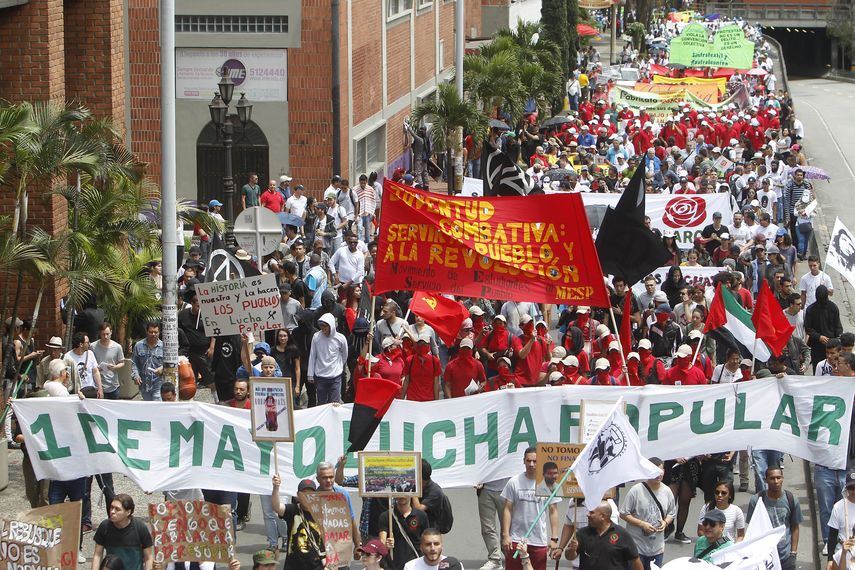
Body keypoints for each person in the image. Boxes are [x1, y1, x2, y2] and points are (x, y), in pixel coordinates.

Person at [501, 447, 561, 570]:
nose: (531, 464)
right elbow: (507, 509)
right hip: (517, 540)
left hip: (538, 540)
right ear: (524, 461)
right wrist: (506, 535)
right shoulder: (514, 482)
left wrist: (554, 538)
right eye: (528, 461)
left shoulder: (548, 483)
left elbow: (553, 511)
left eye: (535, 461)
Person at [619, 457, 675, 570]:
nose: (658, 475)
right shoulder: (636, 490)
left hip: (657, 547)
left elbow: (671, 513)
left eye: (661, 471)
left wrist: (665, 522)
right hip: (636, 546)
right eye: (654, 471)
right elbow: (623, 513)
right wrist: (641, 524)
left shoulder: (667, 491)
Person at [747, 467, 803, 570]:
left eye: (778, 478)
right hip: (764, 556)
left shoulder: (791, 499)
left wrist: (793, 553)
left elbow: (795, 527)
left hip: (785, 555)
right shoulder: (756, 501)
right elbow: (752, 529)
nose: (776, 481)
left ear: (783, 478)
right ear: (766, 480)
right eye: (772, 478)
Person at [564, 501, 642, 570]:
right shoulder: (582, 533)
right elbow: (569, 557)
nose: (587, 515)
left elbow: (635, 560)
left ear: (603, 516)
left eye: (592, 512)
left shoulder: (622, 534)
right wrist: (571, 550)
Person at [271, 476, 327, 570]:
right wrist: (276, 487)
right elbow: (276, 507)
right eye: (304, 493)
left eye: (310, 493)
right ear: (297, 495)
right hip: (294, 565)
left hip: (317, 566)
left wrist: (329, 562)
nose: (307, 497)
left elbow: (331, 539)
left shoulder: (322, 512)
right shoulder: (292, 510)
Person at [91, 494, 154, 570]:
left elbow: (149, 558)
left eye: (117, 509)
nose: (112, 511)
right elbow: (98, 555)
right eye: (111, 507)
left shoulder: (140, 527)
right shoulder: (105, 526)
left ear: (128, 512)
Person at [378, 497, 430, 570]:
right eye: (399, 491)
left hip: (416, 564)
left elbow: (427, 540)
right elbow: (381, 545)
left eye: (405, 491)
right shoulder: (386, 516)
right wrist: (386, 546)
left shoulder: (421, 515)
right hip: (394, 565)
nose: (402, 495)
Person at [307, 313, 348, 404]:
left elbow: (344, 354)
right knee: (321, 403)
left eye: (325, 326)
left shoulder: (341, 338)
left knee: (335, 403)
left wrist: (339, 366)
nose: (323, 328)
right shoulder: (316, 337)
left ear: (331, 325)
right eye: (321, 326)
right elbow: (313, 355)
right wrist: (310, 374)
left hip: (335, 376)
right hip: (320, 376)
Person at [64, 331, 104, 398]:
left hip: (91, 391)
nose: (89, 344)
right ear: (81, 344)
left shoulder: (90, 354)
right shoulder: (68, 357)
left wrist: (100, 388)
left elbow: (95, 371)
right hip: (77, 393)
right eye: (87, 342)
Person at [827, 472, 855, 563]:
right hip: (843, 555)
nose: (854, 491)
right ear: (846, 488)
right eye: (851, 488)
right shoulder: (838, 507)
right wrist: (830, 560)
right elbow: (832, 535)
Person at [92, 323, 124, 400]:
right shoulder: (93, 346)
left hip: (113, 385)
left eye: (107, 334)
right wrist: (97, 368)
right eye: (103, 334)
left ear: (111, 332)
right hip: (98, 385)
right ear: (100, 333)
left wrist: (115, 367)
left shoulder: (117, 347)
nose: (105, 337)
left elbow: (122, 362)